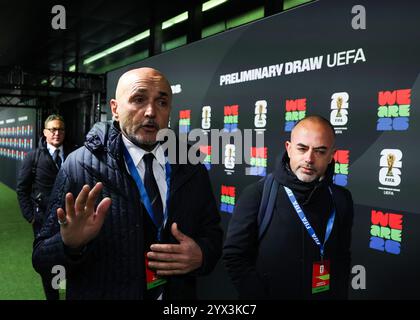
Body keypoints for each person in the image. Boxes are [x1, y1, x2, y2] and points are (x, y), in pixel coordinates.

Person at [32, 67, 223, 300]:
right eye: (139, 99)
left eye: (161, 103)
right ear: (115, 109)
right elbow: (42, 257)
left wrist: (202, 254)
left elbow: (212, 234)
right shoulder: (78, 166)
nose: (151, 112)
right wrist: (69, 245)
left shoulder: (191, 165)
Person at [223, 115, 354, 300]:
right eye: (302, 148)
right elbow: (234, 256)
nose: (309, 158)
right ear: (289, 148)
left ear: (332, 155)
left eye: (320, 151)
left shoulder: (341, 199)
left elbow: (342, 259)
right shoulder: (257, 194)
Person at [16, 114, 71, 300]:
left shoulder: (74, 154)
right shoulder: (33, 156)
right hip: (43, 223)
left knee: (70, 260)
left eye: (60, 129)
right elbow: (22, 189)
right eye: (53, 129)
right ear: (45, 132)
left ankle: (68, 292)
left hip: (70, 221)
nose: (57, 133)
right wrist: (31, 217)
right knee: (49, 263)